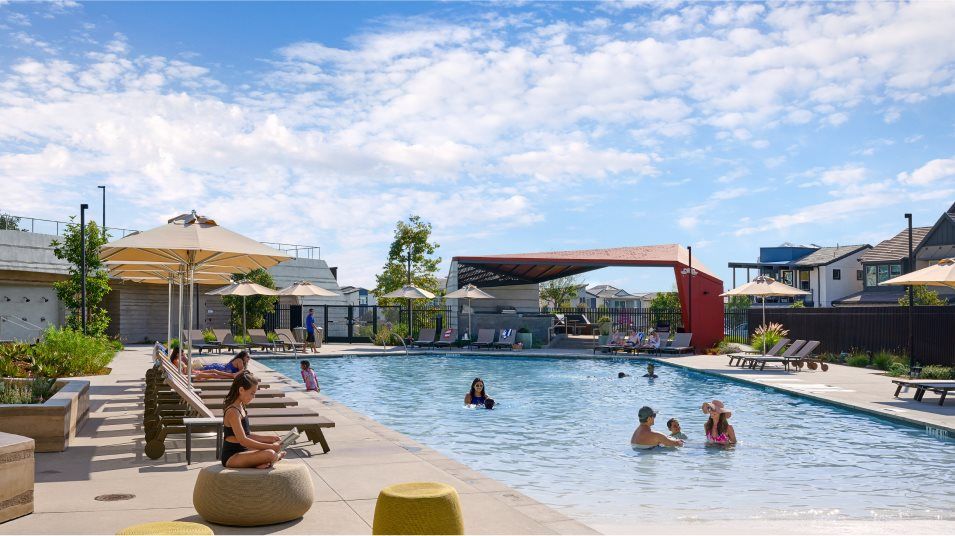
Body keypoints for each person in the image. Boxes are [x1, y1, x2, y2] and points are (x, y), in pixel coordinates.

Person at [220, 370, 286, 468]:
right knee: (270, 453)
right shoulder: (233, 411)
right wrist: (270, 446)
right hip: (231, 457)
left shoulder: (241, 406)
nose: (253, 397)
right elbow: (243, 440)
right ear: (241, 390)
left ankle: (263, 462)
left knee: (271, 449)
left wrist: (269, 439)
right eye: (252, 393)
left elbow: (248, 435)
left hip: (244, 451)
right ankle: (273, 458)